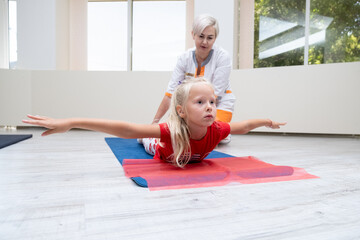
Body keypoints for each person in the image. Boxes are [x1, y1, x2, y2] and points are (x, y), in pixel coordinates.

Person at [23, 78, 286, 168]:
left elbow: (244, 126)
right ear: (181, 111)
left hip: (184, 152)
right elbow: (126, 129)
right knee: (143, 138)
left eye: (212, 102)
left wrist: (267, 121)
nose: (209, 107)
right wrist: (72, 122)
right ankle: (147, 141)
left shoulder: (217, 129)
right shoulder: (170, 131)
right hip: (161, 150)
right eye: (200, 102)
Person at [151, 14, 235, 143]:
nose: (205, 42)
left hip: (218, 104)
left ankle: (223, 134)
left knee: (206, 137)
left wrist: (193, 117)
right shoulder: (184, 58)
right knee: (175, 134)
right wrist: (155, 122)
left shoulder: (223, 57)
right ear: (193, 34)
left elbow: (215, 95)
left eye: (210, 38)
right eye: (201, 36)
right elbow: (170, 94)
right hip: (193, 105)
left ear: (215, 38)